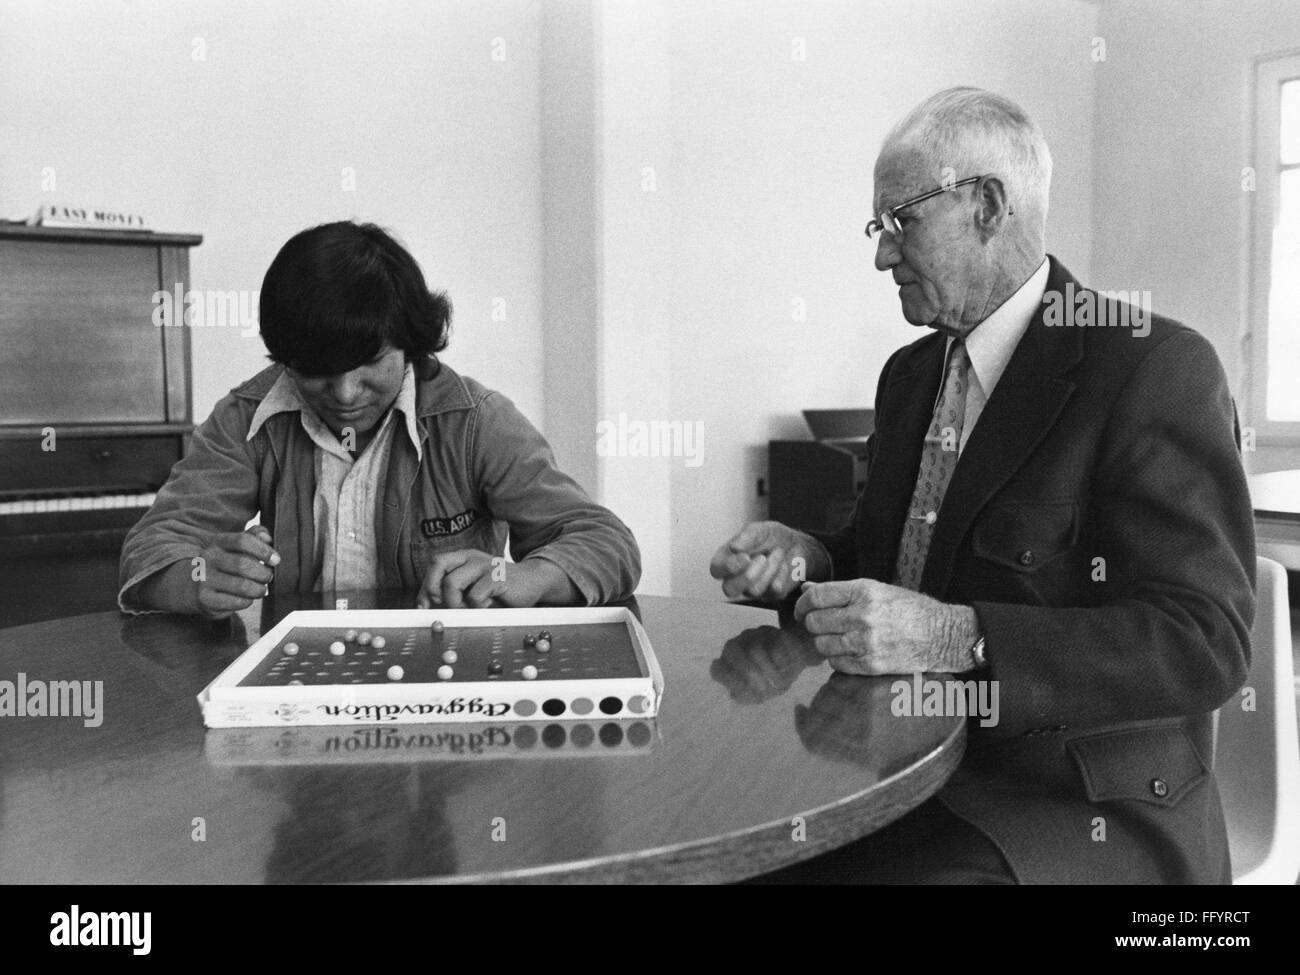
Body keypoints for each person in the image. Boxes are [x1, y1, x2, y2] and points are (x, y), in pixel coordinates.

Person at [712, 87, 1255, 884]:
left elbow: (1205, 640)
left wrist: (959, 637)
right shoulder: (909, 376)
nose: (880, 255)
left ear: (988, 205)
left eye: (901, 221)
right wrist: (812, 561)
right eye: (879, 228)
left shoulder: (1150, 366)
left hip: (1079, 802)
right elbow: (893, 560)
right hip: (911, 768)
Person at [120, 221, 640, 617]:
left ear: (412, 343)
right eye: (316, 372)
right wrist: (193, 577)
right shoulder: (246, 418)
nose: (345, 393)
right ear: (283, 358)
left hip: (452, 690)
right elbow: (150, 549)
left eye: (370, 363)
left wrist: (526, 576)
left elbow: (605, 541)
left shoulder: (478, 422)